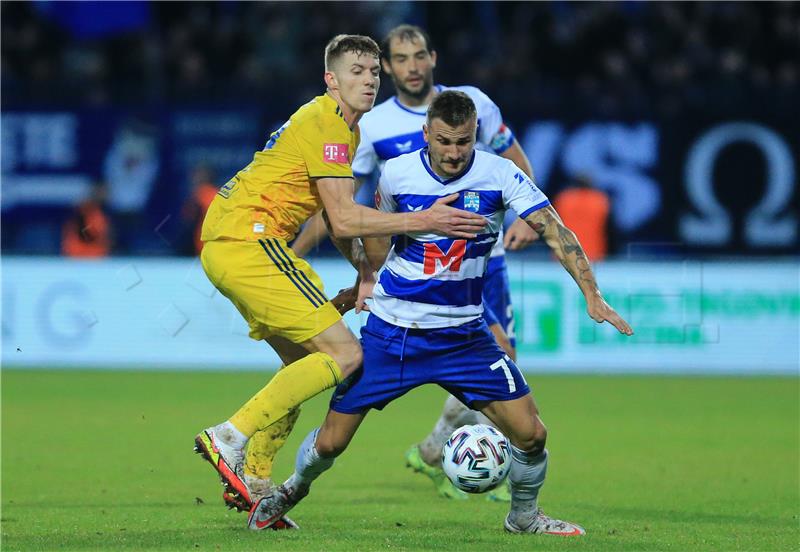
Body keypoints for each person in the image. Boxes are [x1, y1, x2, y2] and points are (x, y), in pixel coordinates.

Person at [247, 91, 633, 535]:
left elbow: (556, 231)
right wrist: (366, 278)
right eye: (445, 141)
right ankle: (290, 490)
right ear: (426, 133)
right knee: (332, 441)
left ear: (476, 137)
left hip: (465, 338)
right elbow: (378, 234)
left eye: (463, 142)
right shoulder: (398, 174)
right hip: (393, 333)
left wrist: (592, 293)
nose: (453, 153)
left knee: (532, 434)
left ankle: (524, 517)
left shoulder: (499, 174)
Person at [192, 35, 487, 528]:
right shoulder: (326, 122)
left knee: (307, 363)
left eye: (374, 71)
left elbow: (333, 220)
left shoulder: (342, 130)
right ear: (331, 79)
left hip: (231, 244)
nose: (368, 79)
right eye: (356, 71)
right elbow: (348, 220)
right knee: (346, 355)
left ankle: (256, 478)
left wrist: (365, 276)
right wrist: (423, 221)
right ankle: (229, 436)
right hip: (252, 239)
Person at [288, 24, 537, 501]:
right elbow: (343, 207)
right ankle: (447, 452)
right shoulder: (372, 127)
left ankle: (452, 451)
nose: (413, 66)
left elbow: (517, 164)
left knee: (503, 358)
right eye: (401, 59)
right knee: (494, 355)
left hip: (483, 261)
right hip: (417, 271)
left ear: (433, 57)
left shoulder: (474, 104)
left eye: (419, 55)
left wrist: (528, 216)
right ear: (388, 67)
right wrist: (300, 252)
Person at [552, 174, 612, 262]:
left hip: (564, 251)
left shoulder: (564, 199)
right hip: (593, 252)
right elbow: (609, 228)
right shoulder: (599, 200)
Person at [61, 182, 112, 258]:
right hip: (80, 254)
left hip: (96, 256)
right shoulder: (84, 209)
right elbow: (83, 233)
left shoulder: (101, 211)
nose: (105, 195)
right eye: (101, 191)